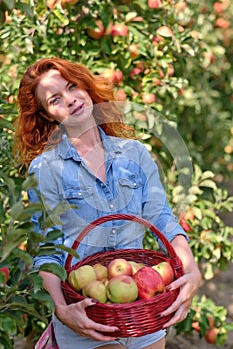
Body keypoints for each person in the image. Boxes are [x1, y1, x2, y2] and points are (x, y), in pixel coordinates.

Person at [14, 57, 201, 349]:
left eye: (72, 86)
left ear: (85, 86)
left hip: (142, 308)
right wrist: (63, 312)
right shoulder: (46, 168)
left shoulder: (135, 154)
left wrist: (190, 266)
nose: (71, 100)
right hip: (86, 315)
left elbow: (161, 217)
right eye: (55, 100)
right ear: (49, 115)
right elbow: (45, 250)